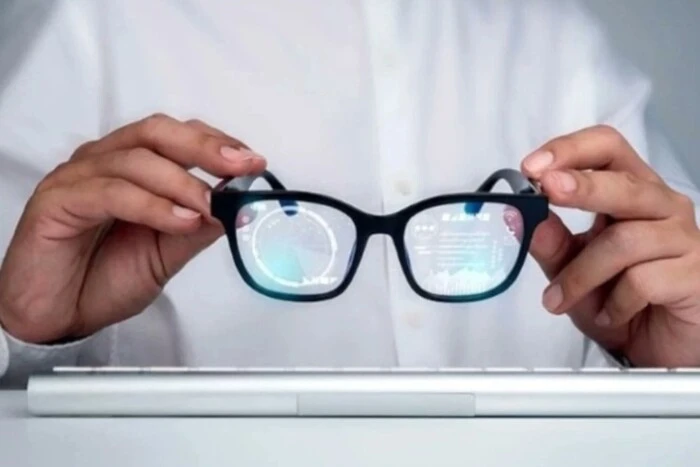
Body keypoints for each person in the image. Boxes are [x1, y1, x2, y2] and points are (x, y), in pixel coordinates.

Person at [0, 0, 699, 389]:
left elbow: (670, 310)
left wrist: (673, 369)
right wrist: (22, 332)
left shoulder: (564, 44)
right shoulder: (93, 26)